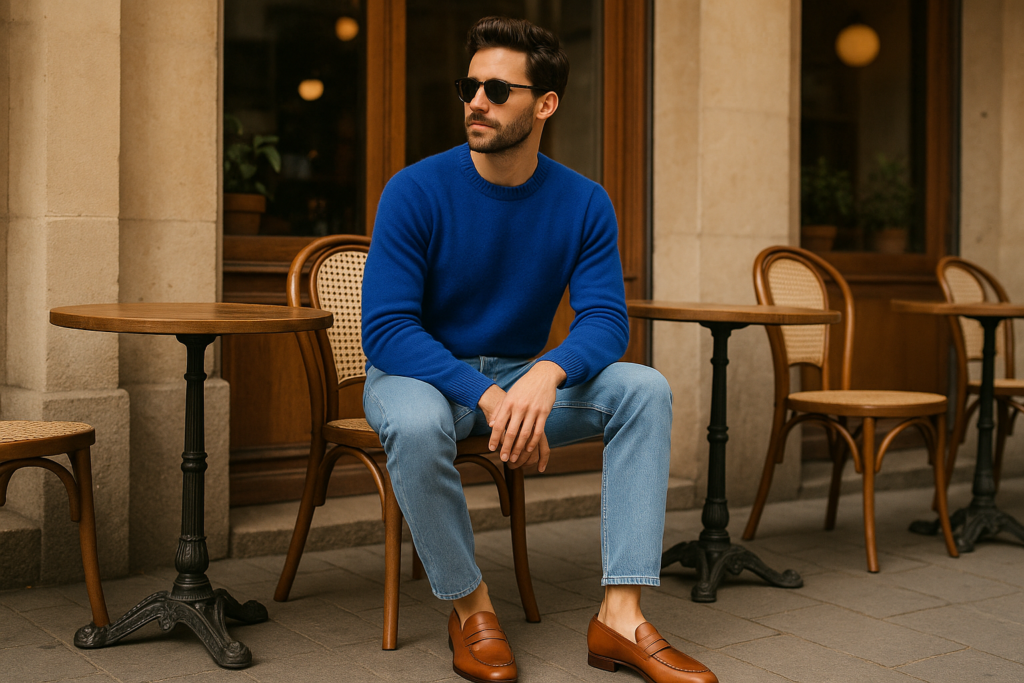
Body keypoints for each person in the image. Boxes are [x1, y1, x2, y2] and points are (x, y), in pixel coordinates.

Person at [361, 15, 718, 683]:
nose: (477, 101)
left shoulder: (583, 202)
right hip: (419, 374)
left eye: (498, 89)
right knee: (414, 422)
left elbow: (608, 319)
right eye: (470, 86)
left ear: (545, 103)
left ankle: (620, 614)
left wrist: (547, 373)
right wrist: (491, 395)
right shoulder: (415, 190)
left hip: (520, 377)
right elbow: (386, 330)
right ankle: (470, 608)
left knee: (644, 388)